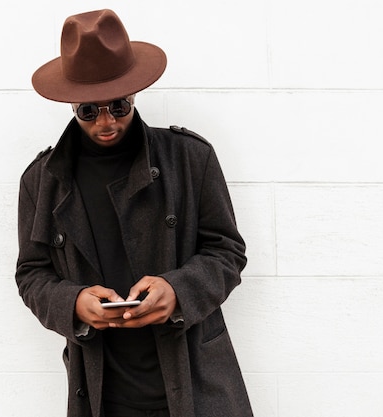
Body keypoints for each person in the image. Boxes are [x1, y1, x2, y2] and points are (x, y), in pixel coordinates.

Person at [15, 9, 253, 417]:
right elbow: (31, 274)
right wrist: (73, 303)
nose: (105, 122)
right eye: (89, 111)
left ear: (135, 96)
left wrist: (178, 291)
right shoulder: (42, 179)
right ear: (72, 104)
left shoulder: (190, 159)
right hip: (101, 388)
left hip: (194, 381)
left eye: (119, 106)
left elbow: (227, 252)